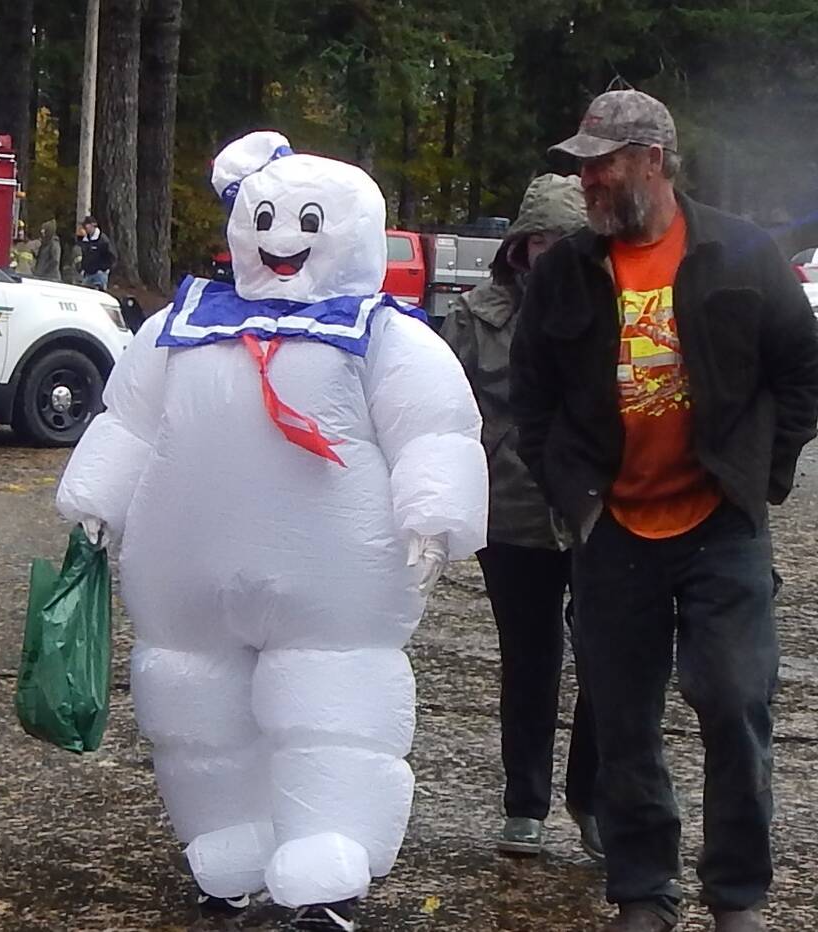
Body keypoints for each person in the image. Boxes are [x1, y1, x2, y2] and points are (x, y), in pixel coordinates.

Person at [58, 131, 486, 932]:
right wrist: (93, 496)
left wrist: (435, 510)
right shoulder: (181, 326)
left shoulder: (383, 336)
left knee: (327, 699)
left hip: (330, 587)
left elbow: (436, 429)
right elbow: (130, 421)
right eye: (266, 218)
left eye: (307, 222)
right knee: (191, 705)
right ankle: (226, 835)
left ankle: (330, 840)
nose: (281, 239)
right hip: (186, 582)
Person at [512, 89, 818, 932]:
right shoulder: (566, 270)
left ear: (652, 161)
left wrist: (766, 470)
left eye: (602, 165)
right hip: (613, 529)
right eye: (581, 169)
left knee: (733, 699)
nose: (588, 182)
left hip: (721, 524)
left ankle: (738, 896)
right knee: (622, 716)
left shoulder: (740, 252)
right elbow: (529, 398)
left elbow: (802, 370)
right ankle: (643, 893)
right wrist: (568, 492)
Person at [441, 174, 602, 861]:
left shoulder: (616, 308)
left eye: (566, 239)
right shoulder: (473, 317)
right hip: (510, 514)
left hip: (599, 508)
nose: (550, 252)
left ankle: (593, 798)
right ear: (517, 246)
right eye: (539, 239)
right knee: (530, 661)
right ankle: (524, 804)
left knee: (609, 659)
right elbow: (442, 411)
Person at [76, 215, 116, 288]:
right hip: (87, 275)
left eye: (87, 225)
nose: (85, 227)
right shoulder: (84, 240)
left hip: (99, 275)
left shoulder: (103, 240)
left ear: (93, 225)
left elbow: (112, 257)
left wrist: (103, 269)